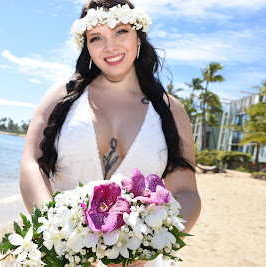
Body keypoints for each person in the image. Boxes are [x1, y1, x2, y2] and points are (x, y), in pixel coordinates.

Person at [19, 0, 201, 266]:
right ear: (87, 45)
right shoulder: (63, 95)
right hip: (61, 254)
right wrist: (56, 232)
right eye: (96, 38)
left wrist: (149, 247)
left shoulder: (171, 110)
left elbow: (186, 191)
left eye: (120, 32)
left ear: (138, 35)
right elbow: (32, 164)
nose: (110, 47)